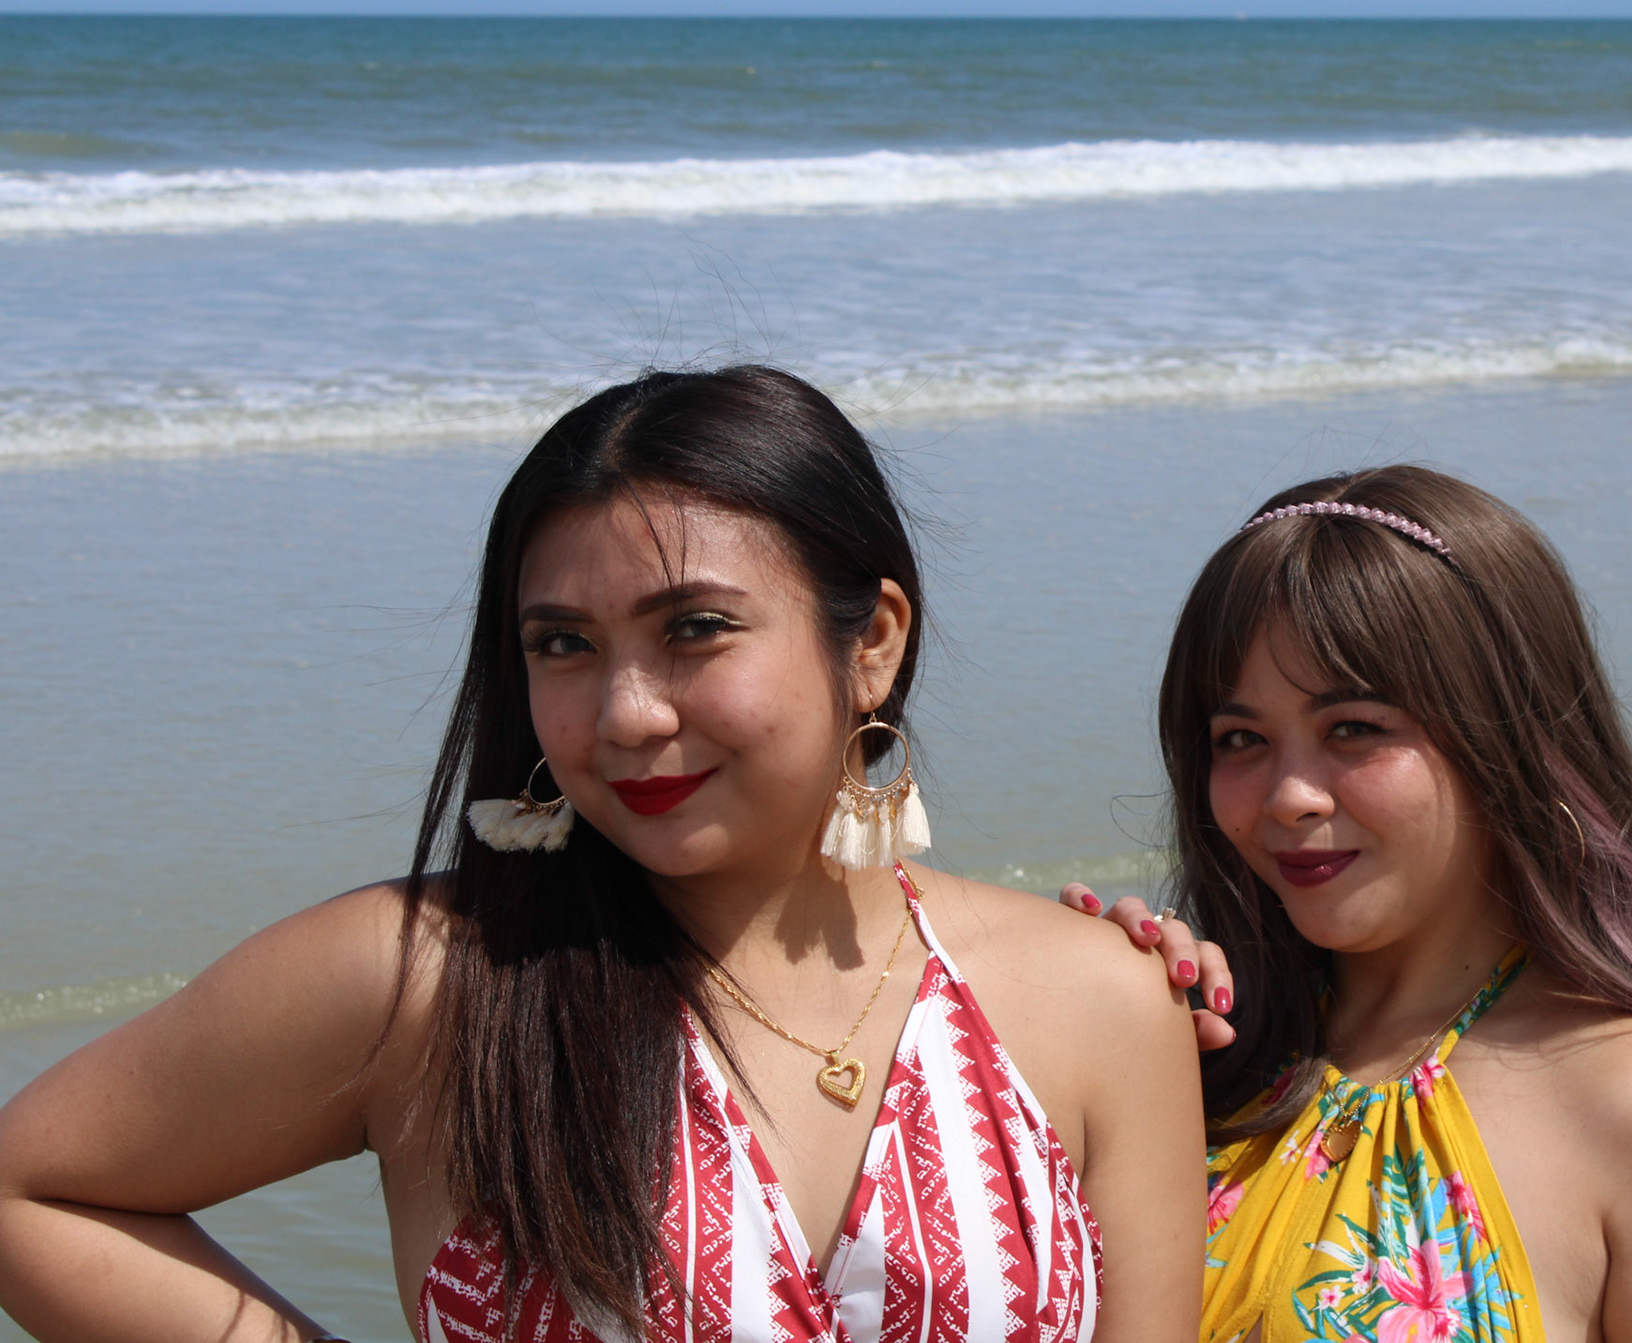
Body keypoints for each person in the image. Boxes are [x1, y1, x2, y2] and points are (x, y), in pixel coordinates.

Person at [0, 367, 1204, 1343]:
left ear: (874, 642)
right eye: (564, 643)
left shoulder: (1099, 996)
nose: (626, 712)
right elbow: (28, 1188)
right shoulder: (436, 981)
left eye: (695, 628)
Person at [1063, 466, 1632, 1342]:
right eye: (1242, 738)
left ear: (1510, 738)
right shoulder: (1194, 1060)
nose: (1290, 796)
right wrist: (1068, 1020)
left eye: (1354, 727)